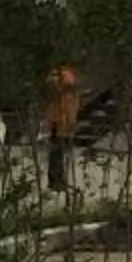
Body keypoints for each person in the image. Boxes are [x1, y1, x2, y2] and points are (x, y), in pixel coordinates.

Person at [42, 64, 80, 194]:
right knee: (56, 153)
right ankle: (55, 180)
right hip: (56, 123)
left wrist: (71, 122)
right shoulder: (57, 89)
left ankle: (58, 180)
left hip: (62, 123)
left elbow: (69, 108)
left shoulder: (66, 92)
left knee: (59, 153)